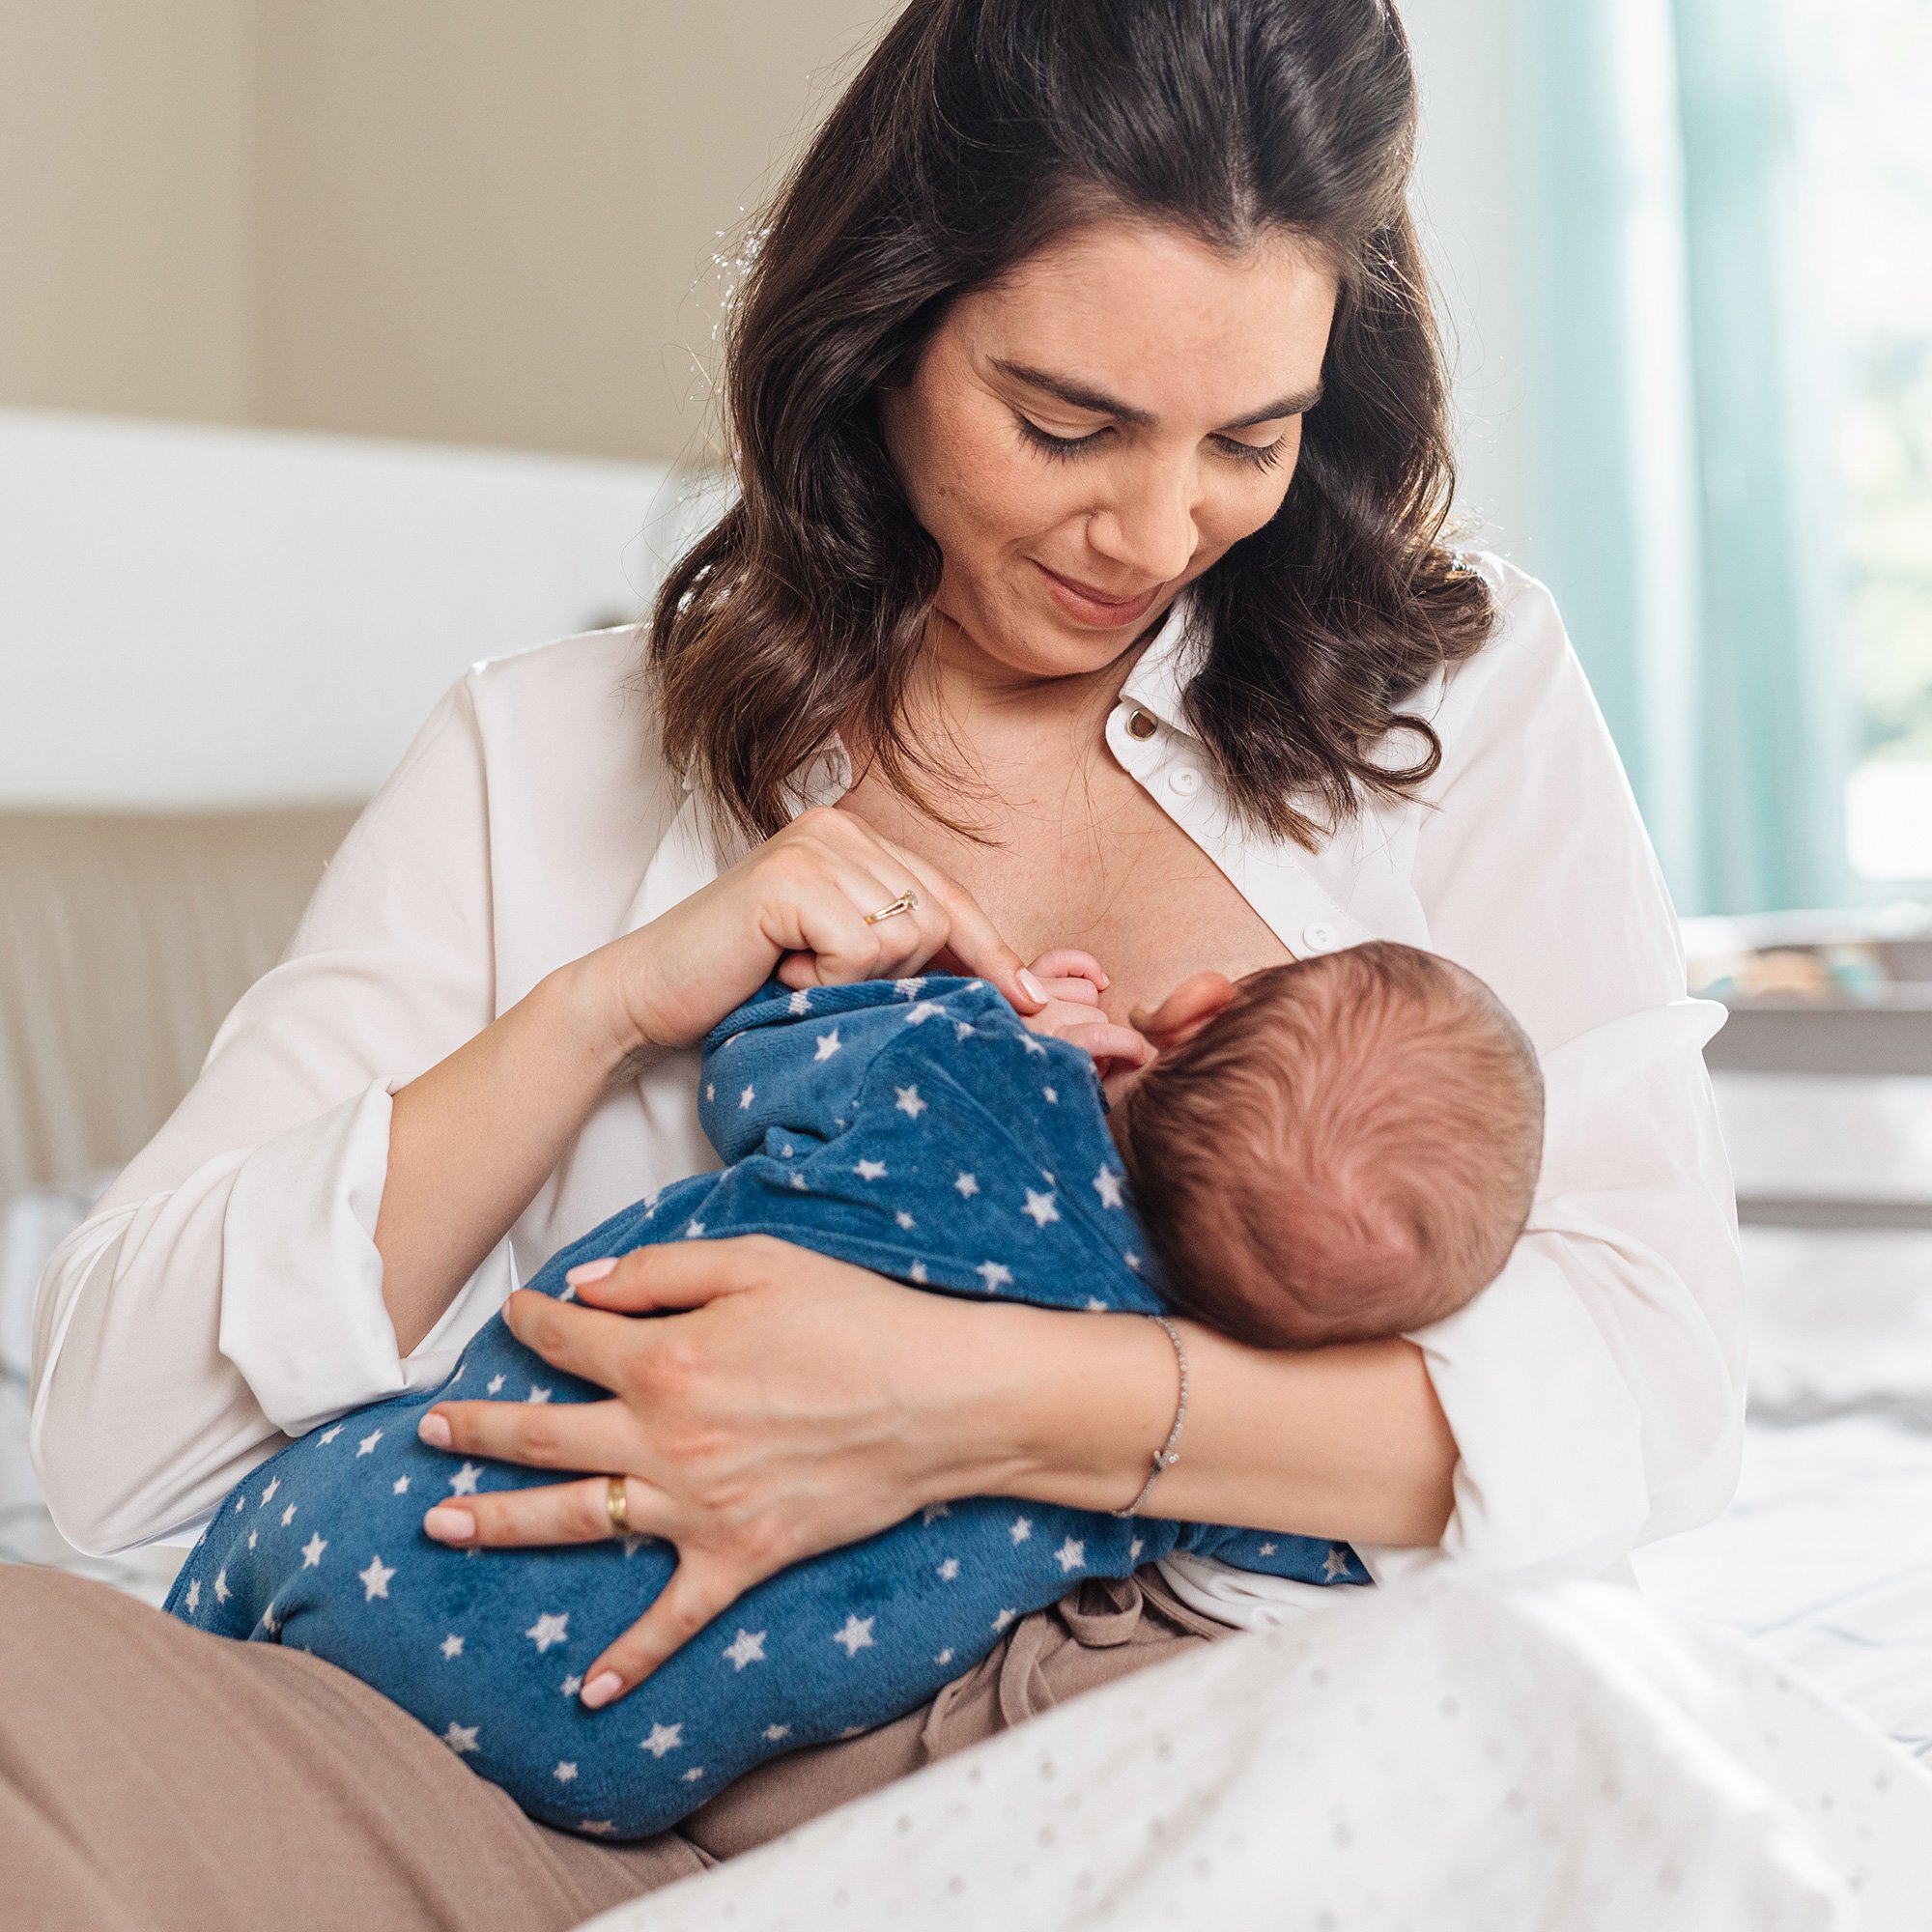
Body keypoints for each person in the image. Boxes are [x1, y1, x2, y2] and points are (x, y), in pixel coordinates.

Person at [9, 1, 1744, 1925]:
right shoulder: (547, 750)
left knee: (1544, 1742)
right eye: (1065, 423)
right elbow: (111, 1441)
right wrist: (603, 1006)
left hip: (1158, 1759)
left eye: (1247, 439)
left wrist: (976, 1398)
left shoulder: (1447, 692)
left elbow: (1649, 1387)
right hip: (529, 1777)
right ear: (881, 331)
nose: (1157, 528)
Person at [163, 942, 1540, 1838]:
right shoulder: (1185, 1460)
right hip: (607, 1767)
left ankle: (193, 1641)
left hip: (379, 1532)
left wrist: (1003, 1009)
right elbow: (1345, 1551)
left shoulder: (966, 1075)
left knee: (251, 1569)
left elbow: (759, 1048)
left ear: (1200, 1005)